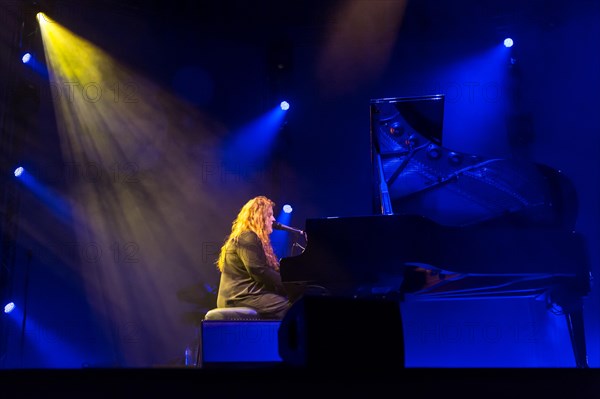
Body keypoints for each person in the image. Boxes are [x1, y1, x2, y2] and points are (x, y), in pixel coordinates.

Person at [215, 196, 291, 319]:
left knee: (292, 304)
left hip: (246, 295)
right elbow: (258, 270)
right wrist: (287, 285)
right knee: (291, 308)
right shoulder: (248, 237)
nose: (273, 219)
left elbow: (264, 270)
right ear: (258, 217)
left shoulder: (249, 237)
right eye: (269, 215)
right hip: (240, 297)